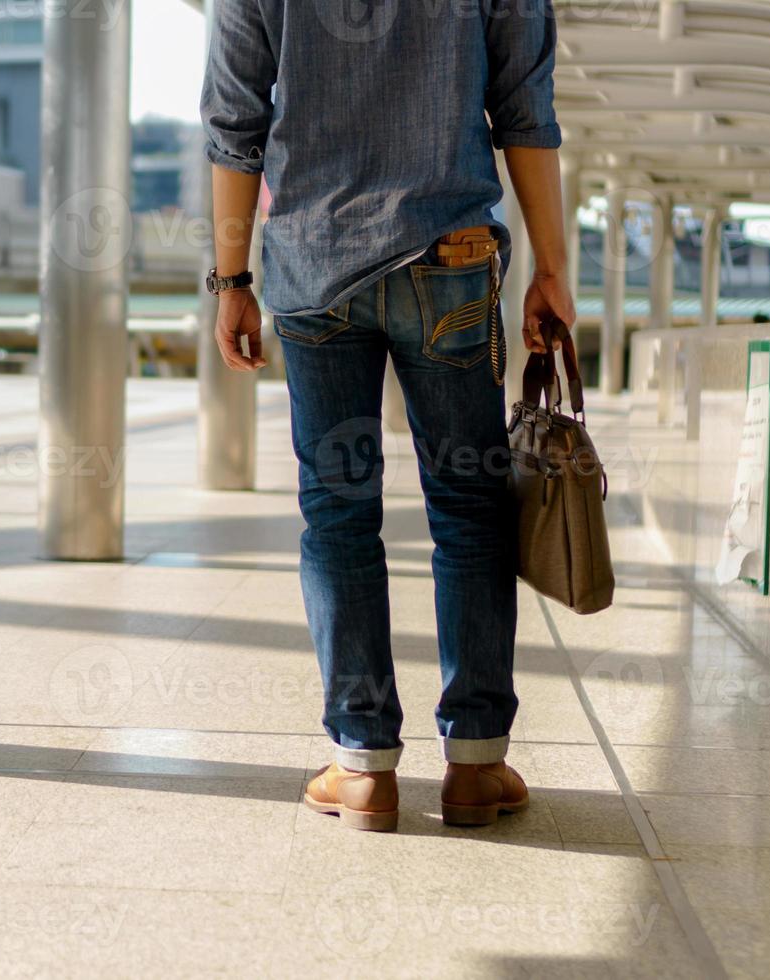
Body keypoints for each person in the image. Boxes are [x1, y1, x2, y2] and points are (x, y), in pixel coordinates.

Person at [203, 0, 572, 831]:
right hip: (450, 254)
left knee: (337, 516)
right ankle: (475, 763)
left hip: (312, 262)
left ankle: (362, 765)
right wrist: (550, 269)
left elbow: (235, 124)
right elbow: (526, 111)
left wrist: (232, 281)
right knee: (469, 511)